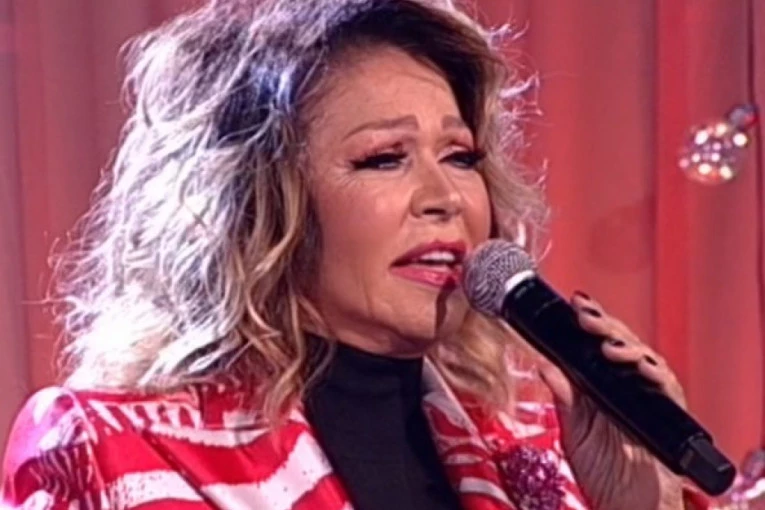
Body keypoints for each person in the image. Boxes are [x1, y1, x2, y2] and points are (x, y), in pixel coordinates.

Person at [1, 0, 711, 509]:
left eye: (460, 157)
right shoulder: (109, 447)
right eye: (383, 158)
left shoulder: (536, 455)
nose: (445, 198)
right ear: (259, 202)